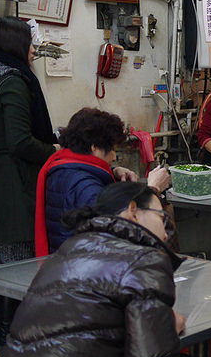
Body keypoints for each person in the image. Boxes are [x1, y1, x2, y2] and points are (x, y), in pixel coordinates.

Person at [0, 182, 186, 357]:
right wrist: (164, 329)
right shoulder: (144, 259)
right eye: (161, 217)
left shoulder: (66, 252)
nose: (166, 233)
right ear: (133, 211)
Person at [0, 17, 57, 347]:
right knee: (17, 273)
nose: (34, 50)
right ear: (16, 45)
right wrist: (54, 150)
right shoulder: (12, 81)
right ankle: (10, 347)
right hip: (14, 195)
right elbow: (21, 142)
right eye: (30, 43)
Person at [35, 107, 171, 256]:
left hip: (66, 259)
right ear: (94, 147)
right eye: (112, 149)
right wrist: (152, 190)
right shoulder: (87, 187)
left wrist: (112, 171)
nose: (114, 157)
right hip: (86, 263)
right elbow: (119, 234)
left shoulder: (61, 167)